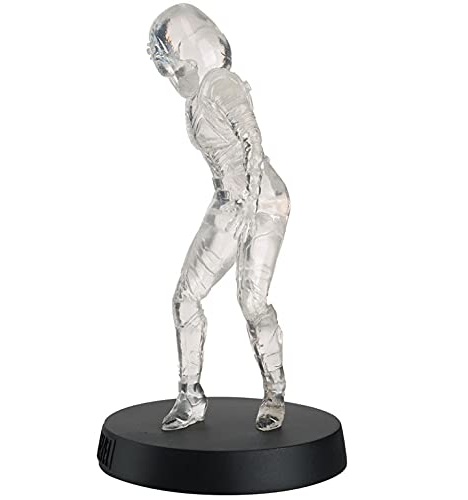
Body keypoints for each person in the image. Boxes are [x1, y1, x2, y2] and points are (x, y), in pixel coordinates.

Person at [147, 4, 291, 431]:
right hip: (228, 200)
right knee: (185, 296)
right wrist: (236, 204)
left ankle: (275, 393)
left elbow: (253, 140)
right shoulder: (195, 99)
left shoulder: (220, 84)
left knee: (251, 301)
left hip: (262, 201)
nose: (169, 73)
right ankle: (190, 395)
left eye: (169, 60)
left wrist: (248, 204)